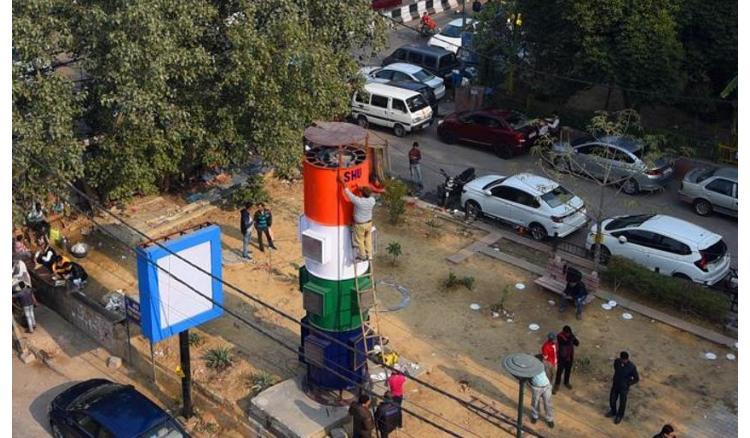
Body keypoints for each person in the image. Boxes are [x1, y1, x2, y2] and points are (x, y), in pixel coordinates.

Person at [338, 176, 376, 261]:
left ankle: (362, 255)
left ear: (362, 194)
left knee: (360, 240)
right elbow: (368, 194)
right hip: (369, 223)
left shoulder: (358, 201)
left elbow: (348, 193)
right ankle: (369, 255)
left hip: (360, 225)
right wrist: (360, 189)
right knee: (368, 239)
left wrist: (343, 182)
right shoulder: (372, 200)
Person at [607, 351, 639, 424]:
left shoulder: (631, 367)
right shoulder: (617, 362)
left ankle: (619, 415)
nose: (623, 361)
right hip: (615, 385)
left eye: (625, 360)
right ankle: (613, 411)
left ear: (627, 359)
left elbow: (636, 378)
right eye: (622, 360)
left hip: (624, 388)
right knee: (612, 399)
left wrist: (628, 383)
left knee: (622, 402)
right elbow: (615, 368)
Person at [553, 325, 579, 393]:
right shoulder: (560, 336)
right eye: (567, 333)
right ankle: (557, 385)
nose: (568, 334)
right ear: (564, 332)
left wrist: (574, 338)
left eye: (569, 333)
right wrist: (571, 339)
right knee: (559, 372)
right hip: (562, 357)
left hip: (569, 357)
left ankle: (566, 382)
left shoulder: (571, 336)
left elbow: (577, 343)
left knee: (568, 370)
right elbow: (565, 343)